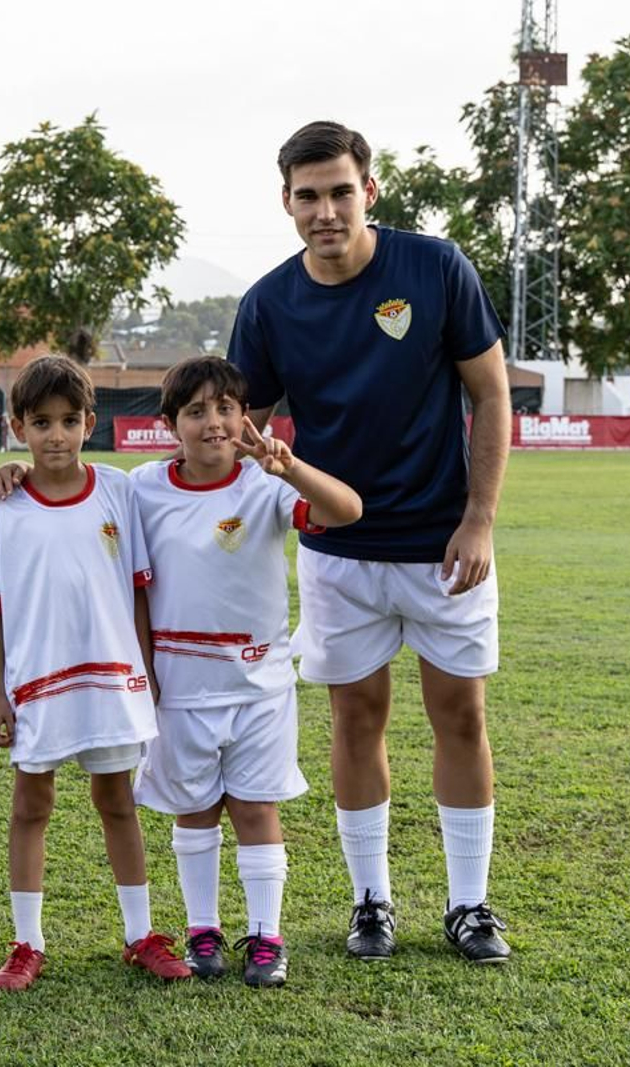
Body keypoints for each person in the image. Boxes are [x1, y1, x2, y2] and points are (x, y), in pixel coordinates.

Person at [227, 120, 513, 964]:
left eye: (339, 191)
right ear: (286, 202)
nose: (325, 210)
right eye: (307, 195)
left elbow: (491, 397)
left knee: (459, 715)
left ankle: (468, 905)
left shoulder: (434, 267)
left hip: (442, 546)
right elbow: (237, 422)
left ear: (370, 190)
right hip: (338, 555)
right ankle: (371, 902)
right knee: (357, 717)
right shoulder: (269, 303)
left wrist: (480, 517)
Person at [130, 356, 362, 987]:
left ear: (245, 416)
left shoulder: (266, 485)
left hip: (260, 688)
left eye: (226, 408)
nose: (214, 422)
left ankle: (265, 935)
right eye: (197, 411)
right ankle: (202, 929)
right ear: (169, 424)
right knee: (195, 808)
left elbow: (347, 510)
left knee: (257, 808)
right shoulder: (142, 487)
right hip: (178, 687)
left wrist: (289, 467)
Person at [0, 355, 189, 992]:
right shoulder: (3, 504)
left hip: (111, 679)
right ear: (18, 426)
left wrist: (146, 670)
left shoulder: (119, 490)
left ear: (90, 423)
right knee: (30, 806)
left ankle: (139, 934)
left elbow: (140, 587)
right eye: (41, 423)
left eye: (70, 421)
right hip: (36, 680)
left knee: (116, 801)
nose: (56, 436)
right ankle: (26, 942)